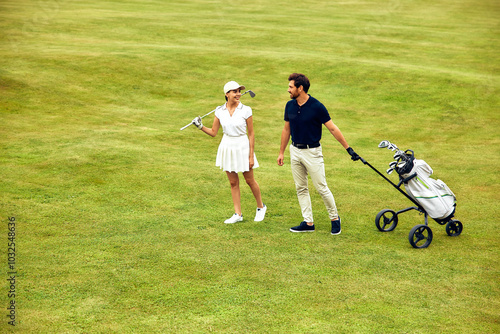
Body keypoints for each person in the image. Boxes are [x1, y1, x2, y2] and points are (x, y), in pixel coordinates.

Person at [277, 73, 360, 234]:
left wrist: (348, 148)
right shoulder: (290, 105)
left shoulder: (317, 106)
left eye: (291, 87)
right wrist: (281, 152)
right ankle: (308, 222)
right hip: (295, 151)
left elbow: (333, 128)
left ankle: (335, 218)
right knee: (301, 188)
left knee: (321, 187)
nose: (288, 90)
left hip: (312, 152)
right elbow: (286, 129)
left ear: (300, 88)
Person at [191, 81, 267, 224]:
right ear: (227, 94)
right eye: (234, 91)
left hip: (242, 146)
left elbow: (251, 134)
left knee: (249, 180)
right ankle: (238, 214)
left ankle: (260, 207)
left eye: (239, 91)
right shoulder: (219, 111)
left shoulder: (246, 110)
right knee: (233, 182)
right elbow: (214, 132)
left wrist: (251, 156)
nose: (238, 94)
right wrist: (200, 126)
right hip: (227, 146)